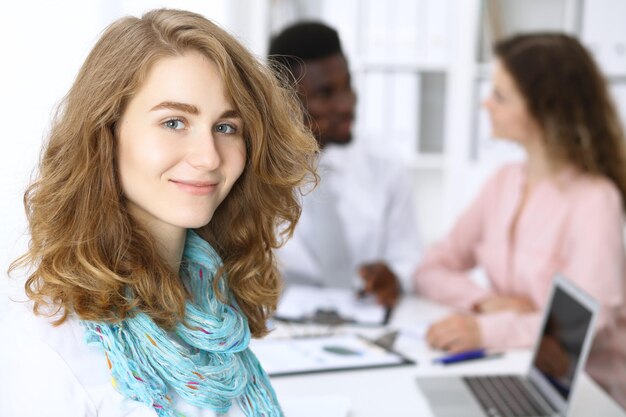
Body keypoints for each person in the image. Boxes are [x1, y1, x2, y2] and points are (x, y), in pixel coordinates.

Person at [1, 8, 318, 417]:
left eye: (226, 127)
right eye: (173, 122)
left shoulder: (214, 310)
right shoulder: (46, 342)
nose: (208, 158)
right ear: (106, 133)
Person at [414, 33, 626, 407]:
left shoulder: (595, 200)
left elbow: (584, 328)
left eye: (500, 96)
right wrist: (485, 302)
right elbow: (432, 268)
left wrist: (484, 330)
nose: (486, 103)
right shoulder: (503, 182)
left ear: (544, 111)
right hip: (515, 365)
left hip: (585, 393)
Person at [268, 22, 421, 307]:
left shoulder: (385, 165)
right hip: (277, 331)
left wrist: (394, 277)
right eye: (326, 94)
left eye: (347, 85)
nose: (347, 103)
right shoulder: (254, 173)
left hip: (369, 319)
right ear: (284, 101)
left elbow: (408, 257)